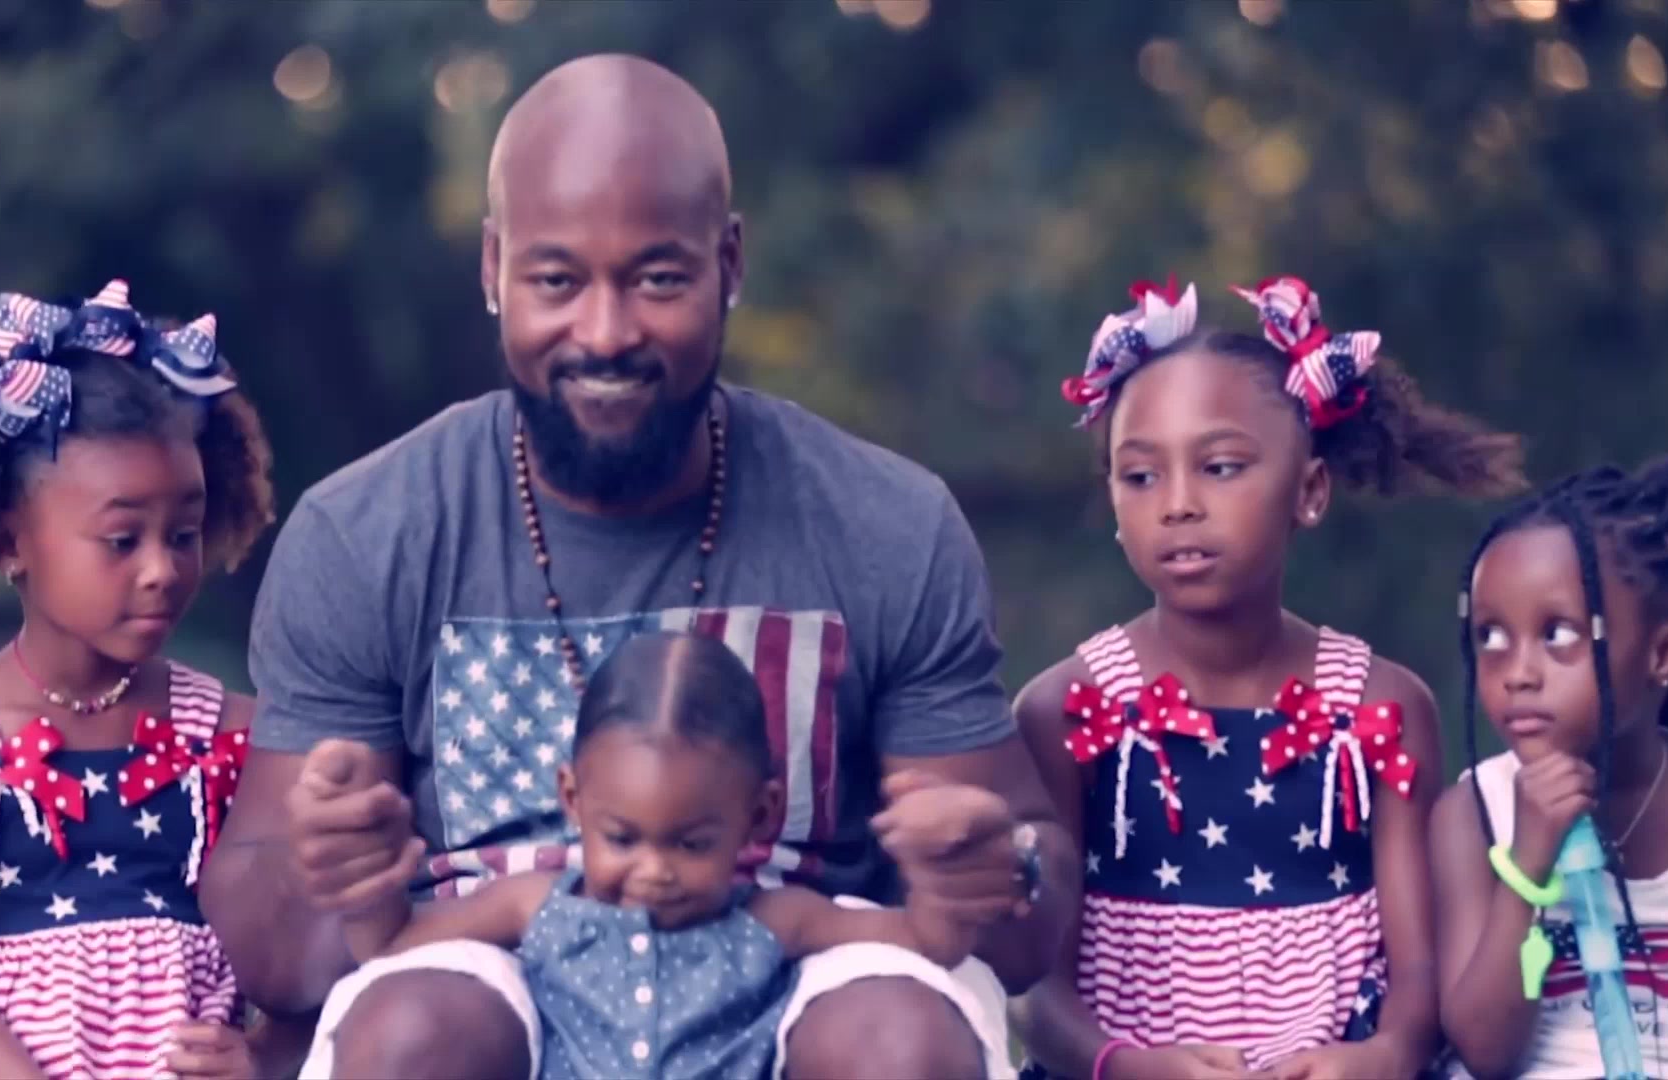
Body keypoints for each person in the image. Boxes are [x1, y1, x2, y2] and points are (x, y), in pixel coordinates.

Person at [200, 53, 1073, 1080]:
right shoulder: (368, 532)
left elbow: (1029, 908)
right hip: (484, 972)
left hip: (805, 971)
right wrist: (334, 873)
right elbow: (275, 943)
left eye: (658, 278)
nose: (607, 332)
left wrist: (993, 867)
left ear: (729, 263)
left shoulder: (886, 523)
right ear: (493, 270)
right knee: (410, 1033)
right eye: (557, 280)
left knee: (899, 1039)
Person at [1010, 276, 1528, 1079]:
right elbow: (1032, 982)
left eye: (1219, 467)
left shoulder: (1380, 707)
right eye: (1140, 476)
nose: (1178, 505)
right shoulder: (1066, 709)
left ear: (1310, 491)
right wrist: (1125, 1066)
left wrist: (1387, 1053)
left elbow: (1421, 968)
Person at [0, 281, 282, 1079]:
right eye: (122, 539)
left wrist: (264, 1058)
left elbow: (302, 967)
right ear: (8, 541)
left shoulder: (234, 738)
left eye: (184, 533)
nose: (162, 569)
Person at [322, 630, 1011, 1079]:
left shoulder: (774, 919)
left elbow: (926, 943)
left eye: (692, 843)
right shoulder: (536, 904)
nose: (653, 871)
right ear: (573, 800)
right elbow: (392, 944)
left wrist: (942, 875)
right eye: (622, 839)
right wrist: (365, 881)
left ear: (758, 815)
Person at [1432, 457, 1668, 1079]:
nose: (1518, 673)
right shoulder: (1474, 815)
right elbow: (1484, 1052)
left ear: (1666, 653)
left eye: (1557, 634)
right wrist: (1528, 868)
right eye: (1491, 637)